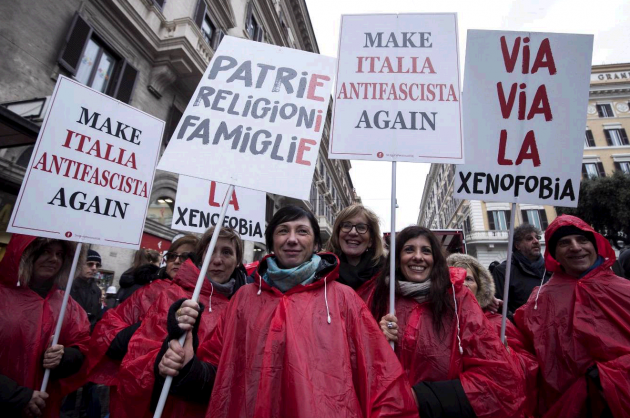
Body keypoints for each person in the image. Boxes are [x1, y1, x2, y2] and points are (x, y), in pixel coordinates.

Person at [156, 205, 418, 417]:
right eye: (283, 231)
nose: (292, 239)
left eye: (302, 231)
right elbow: (219, 377)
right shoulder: (243, 300)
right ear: (272, 242)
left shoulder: (343, 299)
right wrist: (188, 366)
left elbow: (381, 380)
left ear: (315, 244)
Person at [371, 226, 526, 418]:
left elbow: (496, 376)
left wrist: (421, 398)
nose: (418, 257)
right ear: (397, 258)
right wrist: (378, 340)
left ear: (435, 258)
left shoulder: (459, 299)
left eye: (426, 251)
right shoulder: (380, 298)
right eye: (409, 249)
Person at [116, 227, 248, 418]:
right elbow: (138, 357)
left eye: (227, 252)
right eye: (211, 251)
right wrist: (165, 360)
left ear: (237, 261)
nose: (217, 260)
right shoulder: (173, 295)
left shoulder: (243, 307)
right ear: (201, 257)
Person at [514, 215, 630, 417]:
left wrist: (607, 377)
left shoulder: (624, 290)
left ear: (595, 245)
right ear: (554, 254)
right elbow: (523, 350)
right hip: (568, 406)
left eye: (582, 240)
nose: (576, 248)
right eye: (564, 243)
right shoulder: (539, 301)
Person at [85, 235, 198, 417]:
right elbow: (108, 334)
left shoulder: (204, 299)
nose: (177, 261)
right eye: (172, 256)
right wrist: (150, 325)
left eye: (185, 256)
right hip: (131, 394)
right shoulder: (147, 291)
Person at [0, 234, 90, 418]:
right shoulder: (3, 297)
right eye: (46, 251)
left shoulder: (67, 305)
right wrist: (17, 396)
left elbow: (82, 347)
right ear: (27, 254)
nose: (53, 259)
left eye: (59, 254)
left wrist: (64, 357)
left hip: (44, 408)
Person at [448, 253, 539, 417]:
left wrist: (509, 355)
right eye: (456, 277)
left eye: (469, 279)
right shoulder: (436, 322)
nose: (463, 283)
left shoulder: (498, 323)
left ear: (479, 286)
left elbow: (530, 366)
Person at [325, 204, 385, 297]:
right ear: (338, 235)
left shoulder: (386, 277)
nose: (353, 232)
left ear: (371, 240)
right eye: (346, 225)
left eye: (361, 227)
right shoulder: (321, 273)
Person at [492, 224, 551, 316]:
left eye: (537, 237)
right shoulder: (503, 271)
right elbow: (500, 310)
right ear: (517, 246)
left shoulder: (551, 268)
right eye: (529, 239)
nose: (536, 241)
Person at [70, 249, 104, 332]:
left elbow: (96, 315)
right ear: (79, 264)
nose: (94, 268)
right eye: (90, 264)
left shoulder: (97, 290)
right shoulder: (66, 286)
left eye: (97, 265)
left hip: (87, 333)